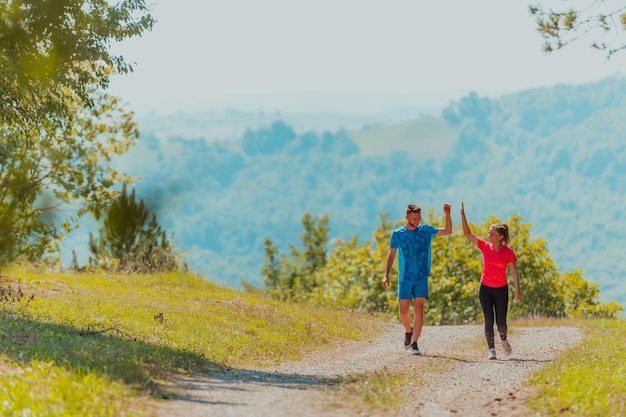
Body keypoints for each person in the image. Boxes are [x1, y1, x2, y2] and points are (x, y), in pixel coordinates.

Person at [382, 203, 452, 355]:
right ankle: (408, 331)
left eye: (419, 218)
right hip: (405, 277)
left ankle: (414, 342)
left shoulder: (426, 230)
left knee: (419, 308)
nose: (417, 220)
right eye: (414, 218)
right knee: (404, 311)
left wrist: (447, 214)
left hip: (421, 276)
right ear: (407, 217)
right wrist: (386, 274)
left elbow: (448, 230)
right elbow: (391, 255)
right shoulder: (398, 233)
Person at [460, 202, 521, 360]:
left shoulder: (508, 252)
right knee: (489, 318)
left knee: (501, 320)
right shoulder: (485, 247)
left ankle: (504, 339)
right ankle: (491, 349)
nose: (489, 236)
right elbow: (468, 233)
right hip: (485, 288)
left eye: (492, 234)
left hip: (501, 289)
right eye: (489, 233)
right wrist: (462, 215)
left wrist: (517, 290)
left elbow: (513, 271)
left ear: (501, 237)